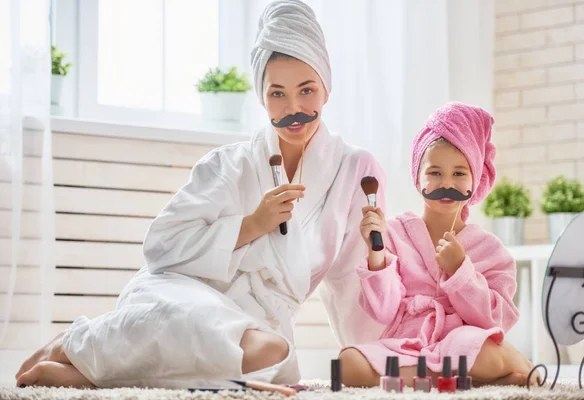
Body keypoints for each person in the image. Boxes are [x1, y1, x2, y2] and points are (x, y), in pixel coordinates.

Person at [15, 0, 386, 388]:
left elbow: (350, 280)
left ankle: (89, 373)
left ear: (326, 88)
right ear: (262, 97)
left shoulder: (355, 172)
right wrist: (251, 224)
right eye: (277, 94)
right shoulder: (227, 164)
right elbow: (160, 249)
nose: (293, 108)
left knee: (272, 355)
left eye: (306, 90)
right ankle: (77, 342)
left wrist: (366, 355)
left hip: (260, 325)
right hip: (185, 296)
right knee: (200, 328)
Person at [339, 102, 538, 387]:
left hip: (462, 343)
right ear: (417, 176)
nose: (447, 183)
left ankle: (488, 367)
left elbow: (496, 320)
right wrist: (376, 254)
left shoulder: (490, 249)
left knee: (476, 351)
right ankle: (464, 380)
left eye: (459, 173)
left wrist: (460, 271)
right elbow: (384, 311)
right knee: (348, 364)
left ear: (475, 179)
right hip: (407, 345)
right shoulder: (394, 232)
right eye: (434, 173)